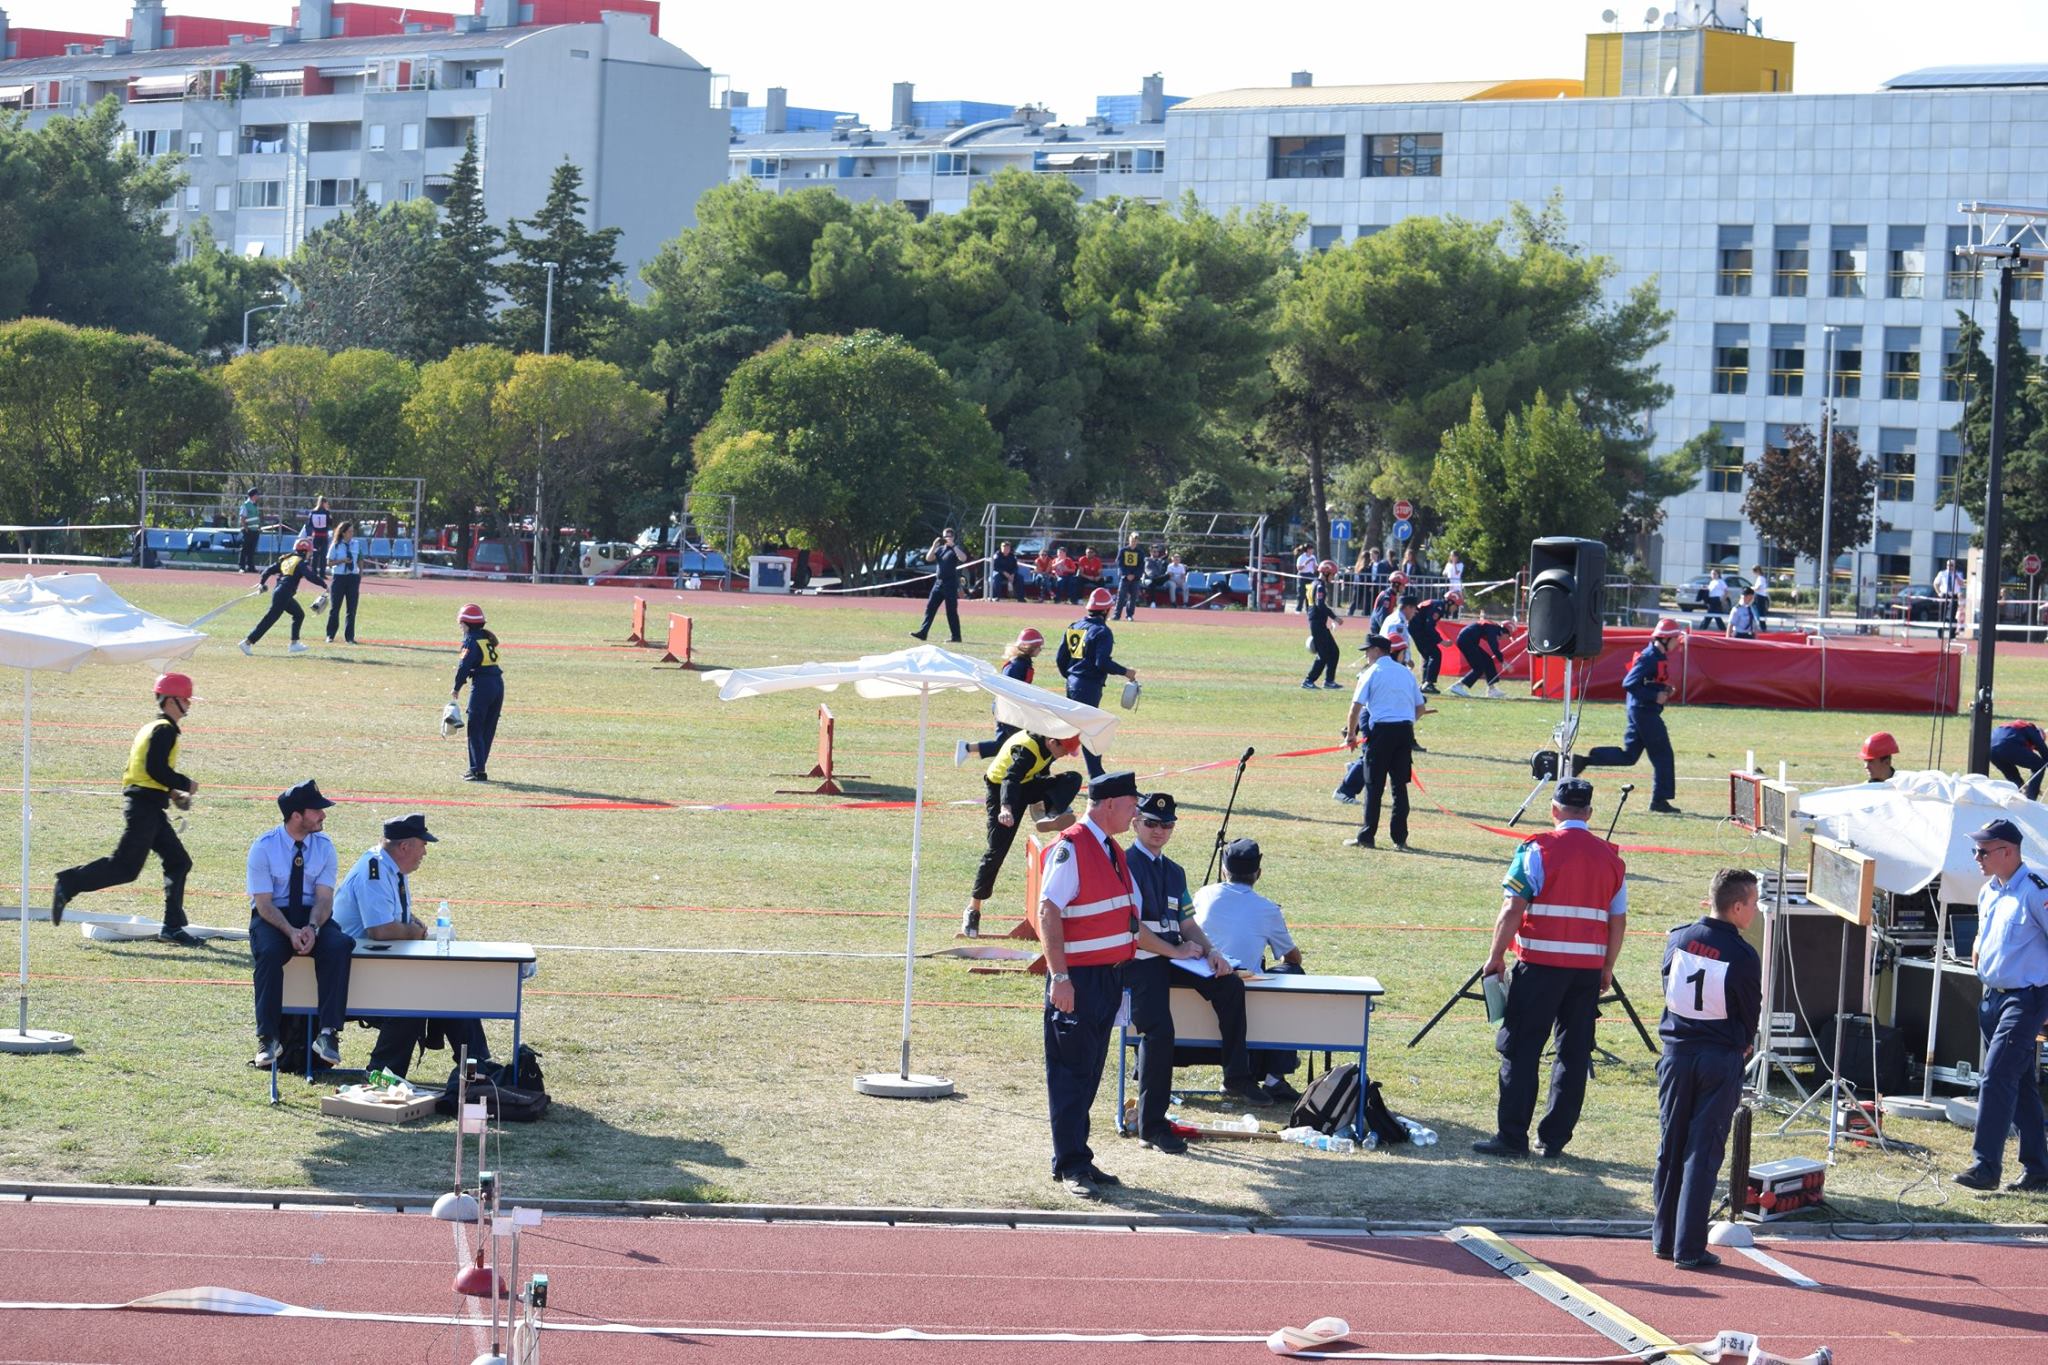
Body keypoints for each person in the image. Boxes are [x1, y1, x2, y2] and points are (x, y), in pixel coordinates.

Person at [1472, 778, 1628, 1159]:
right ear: (1589, 813)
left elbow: (1512, 908)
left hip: (1539, 967)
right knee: (1573, 1056)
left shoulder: (1536, 849)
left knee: (1521, 1050)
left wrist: (1495, 957)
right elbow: (1617, 920)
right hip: (1586, 973)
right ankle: (1554, 1140)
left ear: (1554, 810)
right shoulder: (1612, 858)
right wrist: (1607, 966)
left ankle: (1512, 1137)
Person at [1125, 792, 1261, 1148]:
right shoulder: (1124, 865)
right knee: (1159, 1030)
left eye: (1166, 824)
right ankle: (1152, 1126)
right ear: (1135, 823)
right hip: (1140, 959)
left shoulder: (1173, 871)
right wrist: (1177, 950)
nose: (1159, 830)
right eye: (1152, 823)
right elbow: (1133, 930)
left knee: (1229, 985)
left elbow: (1186, 921)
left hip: (1174, 954)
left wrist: (1213, 952)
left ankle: (1236, 1075)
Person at [1039, 771, 1142, 1198]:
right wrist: (1060, 977)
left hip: (1106, 979)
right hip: (1077, 980)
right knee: (1071, 1073)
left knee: (1089, 1073)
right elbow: (1048, 912)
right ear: (1110, 803)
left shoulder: (1109, 847)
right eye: (1133, 803)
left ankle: (1078, 1154)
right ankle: (1070, 1165)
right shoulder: (1073, 846)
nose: (1137, 811)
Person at [1652, 868, 1762, 1269]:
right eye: (1752, 903)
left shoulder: (1678, 938)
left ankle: (1665, 1238)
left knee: (1671, 1145)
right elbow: (1751, 1012)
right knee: (1702, 1151)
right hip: (1718, 1059)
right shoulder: (1744, 955)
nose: (1754, 910)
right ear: (1736, 907)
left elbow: (1669, 987)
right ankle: (1689, 1247)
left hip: (1677, 1054)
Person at [49, 673, 203, 946]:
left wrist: (171, 793)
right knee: (125, 867)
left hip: (150, 806)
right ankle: (68, 884)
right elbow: (154, 769)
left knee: (179, 861)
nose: (189, 705)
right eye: (185, 700)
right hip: (144, 808)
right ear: (171, 701)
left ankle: (172, 927)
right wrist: (184, 784)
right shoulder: (164, 730)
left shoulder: (153, 727)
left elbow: (145, 771)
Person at [332, 813, 490, 1080]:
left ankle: (478, 1066)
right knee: (413, 1002)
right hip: (353, 972)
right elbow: (381, 931)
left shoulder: (391, 869)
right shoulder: (375, 871)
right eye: (422, 844)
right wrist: (416, 932)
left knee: (454, 991)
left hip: (378, 965)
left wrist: (413, 928)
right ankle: (382, 1072)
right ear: (404, 847)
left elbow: (399, 921)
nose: (425, 851)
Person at [1952, 819, 2048, 1192]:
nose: (1976, 857)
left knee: (1995, 1077)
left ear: (2007, 851)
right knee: (2019, 1083)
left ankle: (1985, 1166)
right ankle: (2039, 1169)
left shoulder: (2035, 891)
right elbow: (1982, 934)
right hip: (1992, 997)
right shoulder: (1989, 890)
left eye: (1983, 850)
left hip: (2025, 999)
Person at [247, 779, 352, 1069]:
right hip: (273, 917)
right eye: (317, 810)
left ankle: (328, 1033)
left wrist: (313, 928)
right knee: (268, 953)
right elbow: (265, 904)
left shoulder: (324, 847)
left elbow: (324, 899)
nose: (323, 815)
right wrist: (290, 931)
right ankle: (268, 1037)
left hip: (312, 915)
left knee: (339, 945)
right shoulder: (263, 848)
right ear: (296, 816)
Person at [1192, 837, 1304, 1104]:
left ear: (1223, 871)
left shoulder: (1203, 894)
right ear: (1258, 873)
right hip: (1241, 995)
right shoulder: (1267, 908)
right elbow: (1293, 957)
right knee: (1292, 975)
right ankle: (1275, 1077)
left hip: (1198, 986)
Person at [962, 731, 1084, 937]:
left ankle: (1049, 813)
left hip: (1026, 784)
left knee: (1073, 778)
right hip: (1002, 791)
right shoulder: (1028, 749)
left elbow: (1041, 770)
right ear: (1053, 741)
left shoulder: (1049, 745)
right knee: (996, 851)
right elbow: (1010, 778)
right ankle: (973, 909)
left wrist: (1046, 795)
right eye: (1064, 750)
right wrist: (1006, 809)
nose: (1065, 755)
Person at [1580, 617, 1682, 814]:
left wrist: (1663, 689)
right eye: (1676, 637)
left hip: (1641, 710)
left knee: (1629, 756)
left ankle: (1586, 760)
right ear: (1665, 639)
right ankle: (1659, 801)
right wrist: (1655, 695)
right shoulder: (1649, 657)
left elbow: (1645, 681)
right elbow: (1629, 683)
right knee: (1663, 756)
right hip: (1644, 712)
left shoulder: (1656, 655)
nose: (1678, 642)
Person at [1344, 633, 1425, 850]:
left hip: (1380, 733)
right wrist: (1405, 723)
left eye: (1368, 651)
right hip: (1404, 732)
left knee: (1374, 787)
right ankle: (1400, 839)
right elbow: (1420, 708)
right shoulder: (1406, 673)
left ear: (1377, 651)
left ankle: (1367, 836)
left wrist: (1351, 735)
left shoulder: (1371, 673)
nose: (1366, 656)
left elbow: (1355, 708)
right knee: (1400, 787)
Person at [1057, 588, 1136, 779]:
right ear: (1106, 610)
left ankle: (1094, 772)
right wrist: (1126, 672)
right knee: (1089, 731)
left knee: (1074, 730)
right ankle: (1096, 773)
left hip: (1073, 683)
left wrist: (1071, 677)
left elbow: (1061, 659)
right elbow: (1102, 662)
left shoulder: (1075, 626)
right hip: (1088, 686)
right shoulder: (1102, 631)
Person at [959, 627, 1046, 764]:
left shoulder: (1022, 663)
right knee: (1024, 743)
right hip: (1007, 709)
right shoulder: (1017, 666)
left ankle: (967, 748)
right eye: (1039, 647)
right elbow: (1007, 690)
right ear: (1030, 647)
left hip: (1008, 708)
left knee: (1003, 744)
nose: (1040, 650)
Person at [240, 537, 327, 656]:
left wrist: (262, 583)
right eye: (310, 551)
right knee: (269, 619)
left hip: (281, 592)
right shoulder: (300, 562)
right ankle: (247, 642)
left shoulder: (287, 559)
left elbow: (268, 570)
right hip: (284, 593)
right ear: (305, 551)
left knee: (299, 614)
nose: (311, 554)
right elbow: (310, 576)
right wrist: (325, 585)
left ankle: (294, 644)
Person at [452, 603, 504, 782]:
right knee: (487, 729)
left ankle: (477, 770)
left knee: (475, 727)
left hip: (483, 685)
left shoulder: (470, 640)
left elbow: (464, 665)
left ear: (467, 624)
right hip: (497, 684)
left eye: (461, 624)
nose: (460, 628)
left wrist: (457, 686)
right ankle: (479, 768)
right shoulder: (486, 637)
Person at [910, 527, 966, 643]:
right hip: (938, 583)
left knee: (951, 611)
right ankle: (923, 633)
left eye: (949, 536)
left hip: (950, 584)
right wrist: (934, 545)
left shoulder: (955, 549)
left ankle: (956, 636)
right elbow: (929, 558)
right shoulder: (940, 549)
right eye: (945, 536)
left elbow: (963, 558)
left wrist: (953, 545)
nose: (947, 538)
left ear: (953, 537)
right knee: (930, 608)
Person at [1449, 609, 1509, 698]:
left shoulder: (1494, 628)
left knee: (1488, 661)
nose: (1507, 638)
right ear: (1505, 632)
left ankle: (1492, 690)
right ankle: (1458, 686)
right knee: (1478, 668)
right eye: (1509, 636)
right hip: (1466, 641)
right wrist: (1503, 662)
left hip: (1469, 641)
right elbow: (1494, 648)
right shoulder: (1493, 629)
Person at [1301, 559, 1342, 690]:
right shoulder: (1320, 586)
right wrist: (1334, 617)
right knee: (1323, 654)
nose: (1333, 577)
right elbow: (1320, 604)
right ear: (1326, 573)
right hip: (1317, 624)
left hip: (1318, 623)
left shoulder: (1315, 584)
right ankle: (1308, 680)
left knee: (1334, 652)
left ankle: (1329, 681)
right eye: (1332, 574)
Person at [324, 520, 363, 645]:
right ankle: (330, 635)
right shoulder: (335, 545)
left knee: (351, 609)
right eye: (350, 531)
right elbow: (329, 562)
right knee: (335, 608)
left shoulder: (356, 544)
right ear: (344, 532)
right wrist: (341, 561)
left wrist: (360, 575)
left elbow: (360, 559)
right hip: (339, 578)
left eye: (353, 531)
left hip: (352, 578)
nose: (352, 533)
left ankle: (349, 637)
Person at [1408, 591, 1454, 693]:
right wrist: (1441, 641)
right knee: (1435, 654)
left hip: (1417, 628)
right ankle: (1428, 683)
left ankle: (1425, 683)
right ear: (1450, 602)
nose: (1455, 609)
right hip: (1418, 629)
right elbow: (1429, 626)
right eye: (1455, 605)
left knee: (1428, 655)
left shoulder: (1437, 605)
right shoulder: (1438, 607)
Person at [1989, 720, 2048, 798]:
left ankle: (2021, 790)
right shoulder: (2031, 729)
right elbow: (2042, 747)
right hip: (2008, 744)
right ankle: (2030, 798)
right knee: (2039, 765)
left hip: (1989, 749)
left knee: (2011, 773)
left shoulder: (2012, 727)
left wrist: (2029, 786)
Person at [1112, 533, 1146, 621]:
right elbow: (1120, 563)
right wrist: (1127, 574)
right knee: (1121, 596)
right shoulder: (1123, 550)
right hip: (1124, 577)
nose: (1134, 542)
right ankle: (1116, 615)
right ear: (1129, 540)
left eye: (1135, 540)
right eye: (1132, 540)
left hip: (1135, 578)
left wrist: (1134, 574)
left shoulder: (1140, 552)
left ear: (1137, 541)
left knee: (1133, 597)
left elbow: (1141, 566)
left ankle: (1129, 615)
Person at [1934, 558, 1967, 640]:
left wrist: (1956, 577)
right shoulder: (1942, 573)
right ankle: (1940, 635)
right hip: (1944, 595)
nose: (1949, 567)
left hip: (1953, 595)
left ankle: (1952, 635)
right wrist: (1939, 593)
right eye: (1948, 565)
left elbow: (1962, 584)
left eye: (1951, 565)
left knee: (1952, 616)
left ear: (1954, 566)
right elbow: (1935, 584)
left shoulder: (1958, 574)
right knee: (1942, 615)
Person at [302, 495, 334, 578]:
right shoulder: (326, 513)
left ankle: (314, 572)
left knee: (315, 555)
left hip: (316, 536)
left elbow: (309, 524)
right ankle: (322, 574)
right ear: (324, 503)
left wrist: (310, 533)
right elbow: (330, 523)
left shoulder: (312, 512)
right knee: (323, 555)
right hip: (324, 536)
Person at [237, 486, 262, 574]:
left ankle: (251, 567)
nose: (258, 496)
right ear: (253, 495)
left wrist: (258, 528)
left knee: (252, 550)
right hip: (248, 531)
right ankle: (242, 567)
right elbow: (242, 518)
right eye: (257, 494)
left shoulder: (254, 505)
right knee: (244, 549)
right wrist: (246, 528)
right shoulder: (245, 505)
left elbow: (255, 517)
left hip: (255, 531)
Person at [1294, 544, 1318, 613]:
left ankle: (1309, 609)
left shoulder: (1313, 557)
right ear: (1308, 550)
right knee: (1301, 594)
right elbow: (1298, 568)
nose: (1313, 550)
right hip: (1302, 576)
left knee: (1310, 594)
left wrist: (1315, 565)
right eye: (1311, 549)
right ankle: (1298, 609)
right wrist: (1306, 563)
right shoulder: (1301, 557)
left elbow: (1315, 568)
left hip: (1311, 576)